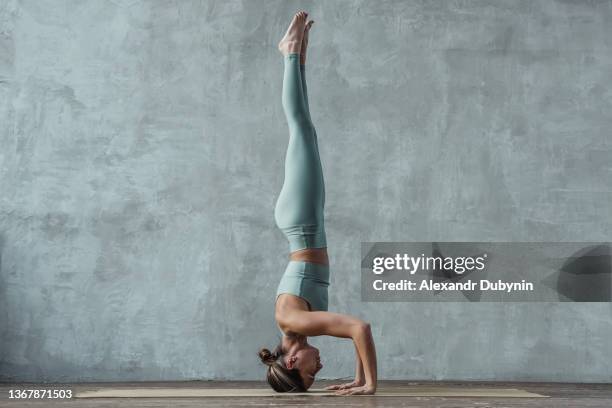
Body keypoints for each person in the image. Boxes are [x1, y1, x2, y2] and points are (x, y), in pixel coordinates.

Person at [258, 11, 377, 396]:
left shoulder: (294, 321)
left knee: (301, 129)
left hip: (302, 223)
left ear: (292, 361)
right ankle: (298, 54)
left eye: (310, 374)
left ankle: (290, 52)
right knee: (306, 130)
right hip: (305, 222)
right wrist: (358, 378)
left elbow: (360, 329)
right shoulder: (295, 325)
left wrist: (370, 385)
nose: (319, 369)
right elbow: (355, 332)